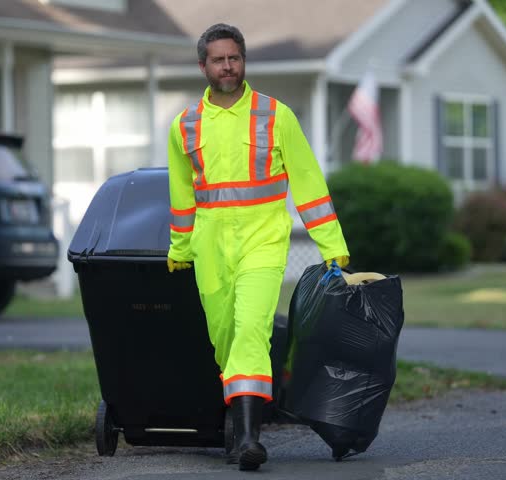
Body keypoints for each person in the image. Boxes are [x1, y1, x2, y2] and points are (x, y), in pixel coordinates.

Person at [166, 23, 350, 471]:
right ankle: (237, 424)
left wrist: (332, 244)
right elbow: (183, 196)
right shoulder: (184, 126)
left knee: (251, 326)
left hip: (263, 242)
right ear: (203, 66)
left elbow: (308, 184)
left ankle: (250, 438)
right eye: (218, 60)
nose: (227, 67)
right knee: (225, 336)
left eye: (234, 58)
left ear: (243, 61)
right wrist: (180, 248)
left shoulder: (276, 115)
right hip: (210, 247)